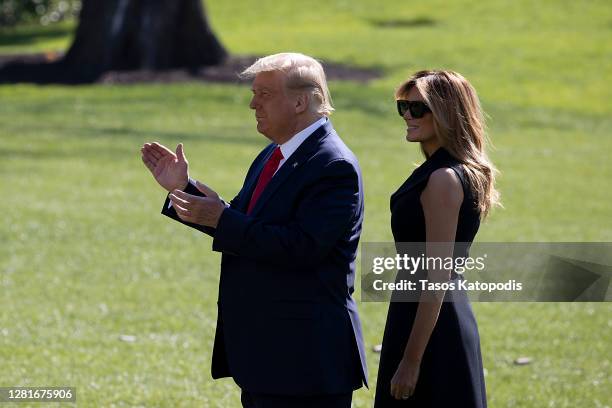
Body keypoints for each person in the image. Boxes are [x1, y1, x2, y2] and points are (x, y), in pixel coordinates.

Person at [141, 52, 367, 408]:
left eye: (264, 94)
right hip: (270, 354)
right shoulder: (273, 154)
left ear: (299, 101)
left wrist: (221, 218)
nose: (252, 104)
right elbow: (245, 223)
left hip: (306, 360)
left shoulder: (332, 164)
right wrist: (184, 189)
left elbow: (303, 246)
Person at [374, 70, 500, 407]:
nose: (407, 116)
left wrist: (412, 360)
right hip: (420, 315)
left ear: (446, 113)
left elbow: (437, 276)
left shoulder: (444, 178)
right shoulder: (439, 171)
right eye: (403, 107)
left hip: (433, 327)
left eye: (418, 109)